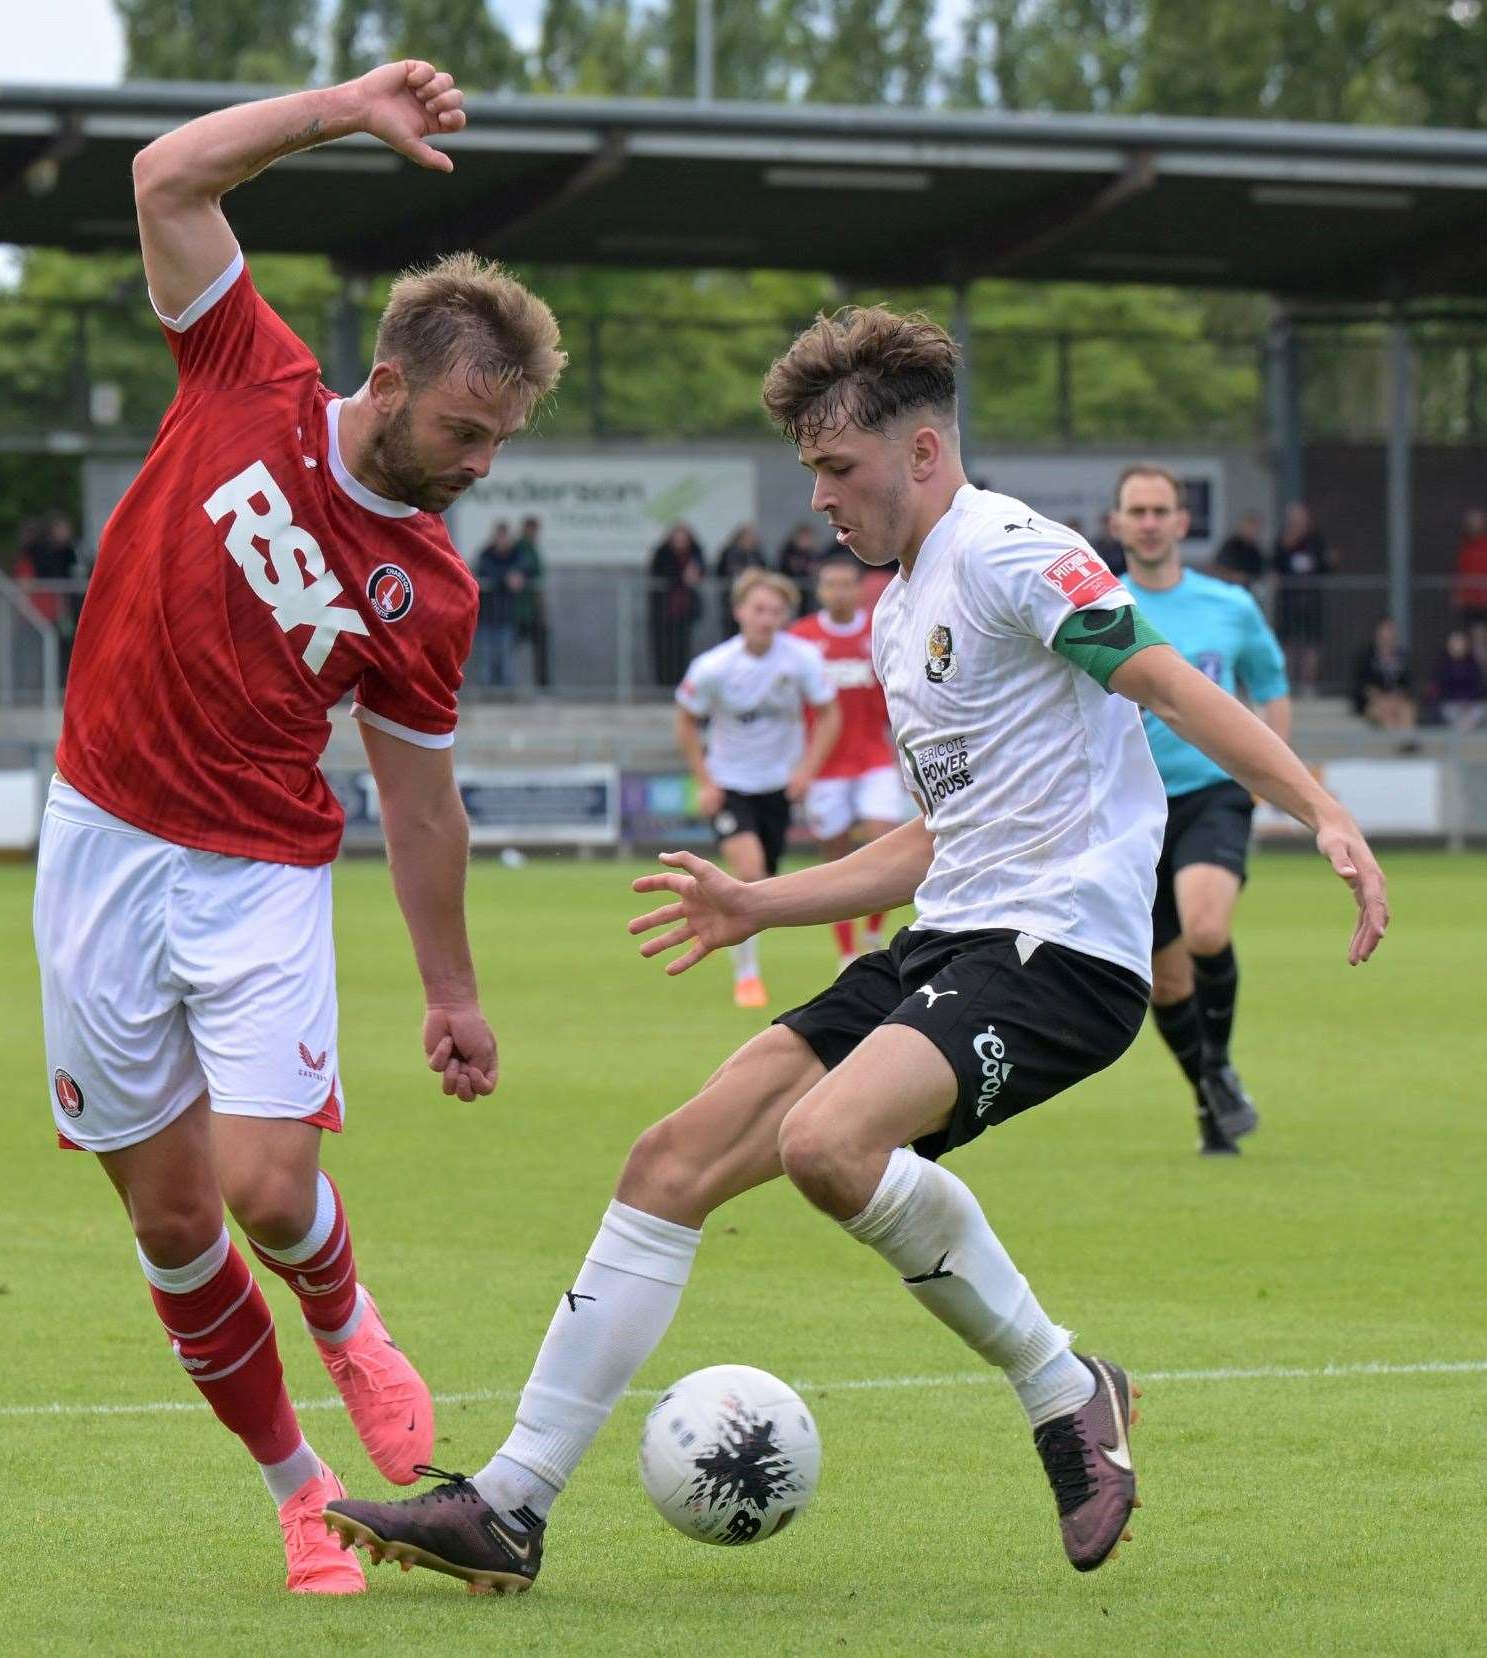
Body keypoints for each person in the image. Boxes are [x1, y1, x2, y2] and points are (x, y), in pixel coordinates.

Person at [326, 305, 1386, 1594]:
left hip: (1060, 952)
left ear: (925, 450)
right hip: (949, 935)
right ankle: (508, 1503)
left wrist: (1320, 807)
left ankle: (1064, 1388)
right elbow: (934, 835)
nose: (818, 500)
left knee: (826, 1143)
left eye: (837, 470)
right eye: (811, 472)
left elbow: (1163, 681)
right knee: (668, 1159)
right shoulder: (899, 610)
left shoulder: (1009, 551)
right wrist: (753, 906)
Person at [35, 60, 565, 1596]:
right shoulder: (244, 374)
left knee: (270, 1188)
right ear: (389, 383)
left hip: (258, 869)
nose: (479, 467)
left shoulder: (434, 592)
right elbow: (165, 179)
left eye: (502, 443)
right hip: (97, 843)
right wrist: (339, 109)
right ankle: (292, 1486)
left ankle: (346, 1321)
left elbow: (418, 800)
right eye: (466, 430)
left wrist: (452, 992)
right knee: (174, 1216)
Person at [1113, 465, 1291, 1156]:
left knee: (1206, 928)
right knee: (1164, 980)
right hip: (1131, 811)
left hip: (1212, 792)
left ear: (1182, 523)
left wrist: (1265, 771)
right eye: (1137, 510)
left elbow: (1270, 685)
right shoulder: (1097, 606)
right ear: (1119, 523)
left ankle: (1217, 1067)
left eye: (1161, 509)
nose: (1150, 521)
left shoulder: (1229, 606)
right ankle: (1209, 1097)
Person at [672, 568, 840, 1009]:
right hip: (731, 785)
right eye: (759, 609)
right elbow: (686, 719)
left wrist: (807, 770)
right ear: (739, 612)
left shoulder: (801, 658)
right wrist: (704, 781)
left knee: (763, 878)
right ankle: (747, 975)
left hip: (778, 788)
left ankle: (745, 958)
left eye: (776, 611)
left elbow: (828, 713)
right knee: (748, 873)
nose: (767, 618)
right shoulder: (714, 667)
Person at [789, 550, 913, 966]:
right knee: (837, 859)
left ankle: (874, 932)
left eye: (846, 584)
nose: (839, 592)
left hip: (873, 757)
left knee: (884, 839)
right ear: (820, 590)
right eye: (830, 584)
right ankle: (846, 953)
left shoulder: (879, 630)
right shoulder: (802, 639)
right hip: (825, 768)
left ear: (859, 589)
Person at [1273, 503, 1332, 695]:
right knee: (1288, 641)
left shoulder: (1316, 539)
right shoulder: (1283, 538)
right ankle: (1288, 683)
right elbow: (1275, 563)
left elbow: (1324, 564)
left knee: (1312, 643)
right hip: (1289, 599)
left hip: (1311, 598)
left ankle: (1308, 684)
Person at [647, 523, 705, 686]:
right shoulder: (663, 554)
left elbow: (701, 571)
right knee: (665, 648)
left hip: (685, 609)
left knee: (682, 647)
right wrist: (682, 578)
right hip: (665, 609)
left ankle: (682, 680)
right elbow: (659, 574)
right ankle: (665, 682)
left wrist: (695, 576)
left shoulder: (694, 553)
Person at [474, 520, 522, 689]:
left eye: (504, 538)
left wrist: (502, 580)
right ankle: (488, 691)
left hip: (506, 614)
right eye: (499, 537)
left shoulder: (515, 555)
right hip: (487, 614)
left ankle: (506, 692)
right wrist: (505, 579)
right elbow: (484, 572)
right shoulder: (486, 554)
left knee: (505, 655)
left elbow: (520, 573)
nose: (502, 541)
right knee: (487, 654)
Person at [1351, 618, 1418, 731]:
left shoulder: (1402, 657)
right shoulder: (1366, 658)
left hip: (1397, 700)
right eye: (1384, 637)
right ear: (1378, 637)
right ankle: (1397, 740)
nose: (1387, 641)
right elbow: (1361, 685)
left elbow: (1407, 684)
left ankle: (1408, 739)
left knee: (1407, 710)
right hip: (1374, 702)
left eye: (1390, 638)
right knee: (1386, 711)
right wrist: (1380, 697)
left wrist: (1396, 696)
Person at [510, 515, 549, 687]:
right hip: (519, 609)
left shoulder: (532, 548)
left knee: (541, 646)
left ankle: (542, 683)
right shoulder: (520, 548)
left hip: (532, 609)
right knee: (508, 647)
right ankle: (505, 684)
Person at [713, 523, 766, 636]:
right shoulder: (730, 552)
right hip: (732, 594)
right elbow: (722, 570)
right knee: (730, 627)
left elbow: (764, 568)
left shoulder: (756, 553)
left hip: (754, 593)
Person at [1451, 507, 1487, 667]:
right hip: (1472, 603)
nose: (1475, 526)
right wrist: (1458, 594)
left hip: (1484, 600)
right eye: (1472, 523)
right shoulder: (1465, 547)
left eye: (1478, 522)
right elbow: (1460, 572)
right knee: (1475, 643)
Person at [1433, 627, 1487, 730]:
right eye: (1455, 641)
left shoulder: (1473, 663)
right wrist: (1459, 702)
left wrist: (1468, 702)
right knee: (1449, 712)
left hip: (1472, 705)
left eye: (1461, 641)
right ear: (1449, 644)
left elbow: (1479, 687)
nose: (1458, 645)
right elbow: (1441, 688)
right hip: (1451, 704)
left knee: (1482, 709)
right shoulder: (1443, 665)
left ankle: (1464, 730)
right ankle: (1463, 732)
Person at [1212, 512, 1265, 590]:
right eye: (1250, 528)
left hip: (1248, 590)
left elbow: (1259, 571)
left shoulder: (1255, 549)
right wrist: (1234, 576)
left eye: (1255, 529)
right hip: (1229, 589)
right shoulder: (1230, 546)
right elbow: (1219, 568)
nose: (1252, 532)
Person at [777, 522, 820, 612]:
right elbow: (782, 568)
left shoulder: (812, 552)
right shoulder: (788, 551)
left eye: (808, 538)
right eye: (804, 537)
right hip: (790, 587)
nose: (806, 541)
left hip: (807, 590)